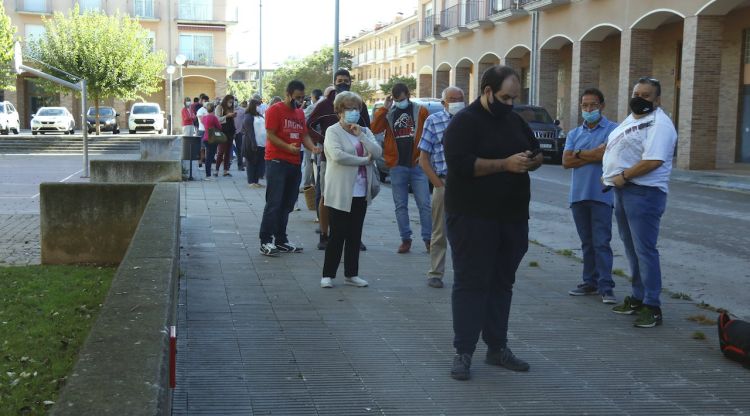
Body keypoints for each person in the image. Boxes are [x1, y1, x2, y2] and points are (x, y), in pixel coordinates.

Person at [444, 65, 542, 381]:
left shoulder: (514, 120)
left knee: (502, 283)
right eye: (505, 97)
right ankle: (464, 352)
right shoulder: (464, 122)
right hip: (472, 218)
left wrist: (532, 160)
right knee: (472, 283)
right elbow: (460, 166)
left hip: (511, 219)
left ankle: (497, 348)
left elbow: (538, 154)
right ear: (487, 92)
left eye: (515, 98)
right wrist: (506, 164)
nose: (511, 104)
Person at [603, 77, 677, 328]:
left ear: (658, 100)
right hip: (623, 190)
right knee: (631, 248)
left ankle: (652, 306)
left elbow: (653, 161)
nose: (639, 98)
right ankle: (637, 297)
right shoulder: (634, 118)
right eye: (637, 93)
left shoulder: (660, 124)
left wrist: (622, 176)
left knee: (645, 250)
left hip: (644, 193)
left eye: (646, 95)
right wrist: (611, 178)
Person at [320, 91, 382, 289]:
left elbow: (377, 152)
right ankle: (328, 274)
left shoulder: (363, 130)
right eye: (348, 108)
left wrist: (361, 136)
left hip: (361, 191)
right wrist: (364, 160)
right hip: (340, 191)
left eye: (356, 108)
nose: (353, 112)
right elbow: (337, 156)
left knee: (355, 234)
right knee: (337, 234)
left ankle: (351, 274)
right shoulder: (332, 131)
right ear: (339, 110)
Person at [562, 88, 619, 304]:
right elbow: (566, 162)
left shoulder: (613, 130)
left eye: (593, 105)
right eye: (585, 105)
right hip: (578, 195)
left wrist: (578, 154)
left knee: (602, 242)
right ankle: (590, 282)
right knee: (587, 242)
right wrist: (591, 154)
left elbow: (607, 156)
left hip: (602, 195)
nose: (588, 109)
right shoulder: (575, 133)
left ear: (602, 106)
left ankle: (606, 286)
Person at [308, 69, 371, 251]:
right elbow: (309, 124)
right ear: (334, 82)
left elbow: (368, 127)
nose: (343, 83)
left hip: (355, 157)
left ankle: (354, 236)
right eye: (339, 80)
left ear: (351, 82)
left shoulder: (360, 104)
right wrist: (322, 140)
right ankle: (324, 234)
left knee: (357, 197)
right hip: (330, 158)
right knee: (327, 196)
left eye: (346, 80)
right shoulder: (326, 104)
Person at [258, 80, 321, 257]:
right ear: (288, 94)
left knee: (287, 204)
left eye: (303, 97)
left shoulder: (300, 113)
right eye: (297, 97)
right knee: (274, 203)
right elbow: (270, 135)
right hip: (277, 162)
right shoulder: (274, 110)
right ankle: (265, 240)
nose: (300, 101)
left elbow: (304, 134)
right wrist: (288, 147)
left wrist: (312, 147)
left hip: (294, 163)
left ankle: (281, 239)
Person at [371, 82, 431, 254]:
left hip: (417, 164)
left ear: (408, 96)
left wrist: (425, 154)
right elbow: (374, 128)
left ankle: (428, 239)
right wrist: (384, 108)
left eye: (402, 99)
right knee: (400, 205)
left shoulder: (421, 111)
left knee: (425, 204)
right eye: (396, 100)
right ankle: (406, 239)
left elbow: (429, 132)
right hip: (397, 165)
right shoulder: (389, 113)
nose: (400, 102)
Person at [418, 86, 465, 289]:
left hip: (469, 185)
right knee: (440, 231)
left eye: (460, 98)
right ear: (443, 102)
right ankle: (435, 272)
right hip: (444, 182)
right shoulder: (433, 121)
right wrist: (437, 184)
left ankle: (466, 273)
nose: (456, 102)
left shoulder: (470, 122)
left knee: (468, 232)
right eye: (452, 99)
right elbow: (423, 158)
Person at [241, 98, 266, 188]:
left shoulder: (260, 116)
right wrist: (253, 143)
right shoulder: (248, 117)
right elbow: (250, 131)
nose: (259, 107)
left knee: (258, 162)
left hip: (262, 143)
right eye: (258, 105)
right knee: (251, 162)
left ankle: (256, 181)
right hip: (252, 143)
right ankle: (251, 181)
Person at [214, 95, 237, 177]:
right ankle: (216, 170)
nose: (231, 103)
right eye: (229, 101)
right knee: (221, 151)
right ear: (225, 100)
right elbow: (217, 119)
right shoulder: (219, 107)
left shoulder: (231, 108)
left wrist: (233, 116)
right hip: (222, 131)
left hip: (230, 131)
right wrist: (227, 116)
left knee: (228, 152)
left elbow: (232, 121)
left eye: (232, 102)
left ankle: (225, 170)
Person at [200, 102, 223, 180]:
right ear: (213, 108)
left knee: (208, 157)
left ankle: (208, 174)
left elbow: (204, 124)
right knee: (210, 157)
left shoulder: (204, 117)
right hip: (212, 138)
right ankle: (208, 175)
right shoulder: (214, 117)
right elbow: (219, 127)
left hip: (205, 137)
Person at [195, 94, 210, 167]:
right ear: (202, 101)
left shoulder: (210, 110)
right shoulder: (200, 110)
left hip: (209, 130)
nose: (206, 102)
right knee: (201, 147)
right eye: (205, 101)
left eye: (207, 101)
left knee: (208, 148)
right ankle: (200, 162)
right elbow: (202, 120)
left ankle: (207, 162)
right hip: (202, 130)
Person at [233, 100, 247, 171]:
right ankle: (227, 166)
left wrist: (243, 129)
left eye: (235, 100)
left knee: (239, 148)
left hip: (239, 132)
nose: (234, 102)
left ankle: (240, 165)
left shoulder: (242, 110)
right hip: (230, 131)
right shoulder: (227, 109)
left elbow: (245, 120)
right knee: (227, 148)